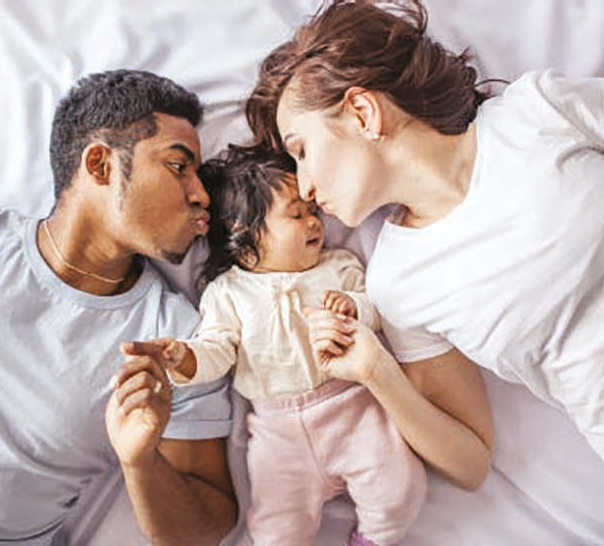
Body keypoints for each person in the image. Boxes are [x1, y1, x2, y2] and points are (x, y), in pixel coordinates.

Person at [245, 0, 604, 469]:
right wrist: (375, 371)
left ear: (361, 112)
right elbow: (470, 461)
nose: (306, 186)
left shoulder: (537, 111)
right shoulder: (398, 282)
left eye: (302, 150)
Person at [140, 146, 428, 546]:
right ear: (245, 240)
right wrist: (186, 358)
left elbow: (377, 310)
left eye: (313, 211)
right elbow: (217, 349)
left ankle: (374, 538)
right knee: (275, 525)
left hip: (352, 410)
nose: (314, 222)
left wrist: (355, 308)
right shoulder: (228, 293)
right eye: (296, 215)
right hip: (279, 432)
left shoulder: (338, 266)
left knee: (399, 486)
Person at [0, 69, 236, 546]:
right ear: (101, 165)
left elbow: (206, 527)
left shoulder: (173, 342)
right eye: (178, 166)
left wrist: (141, 461)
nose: (201, 195)